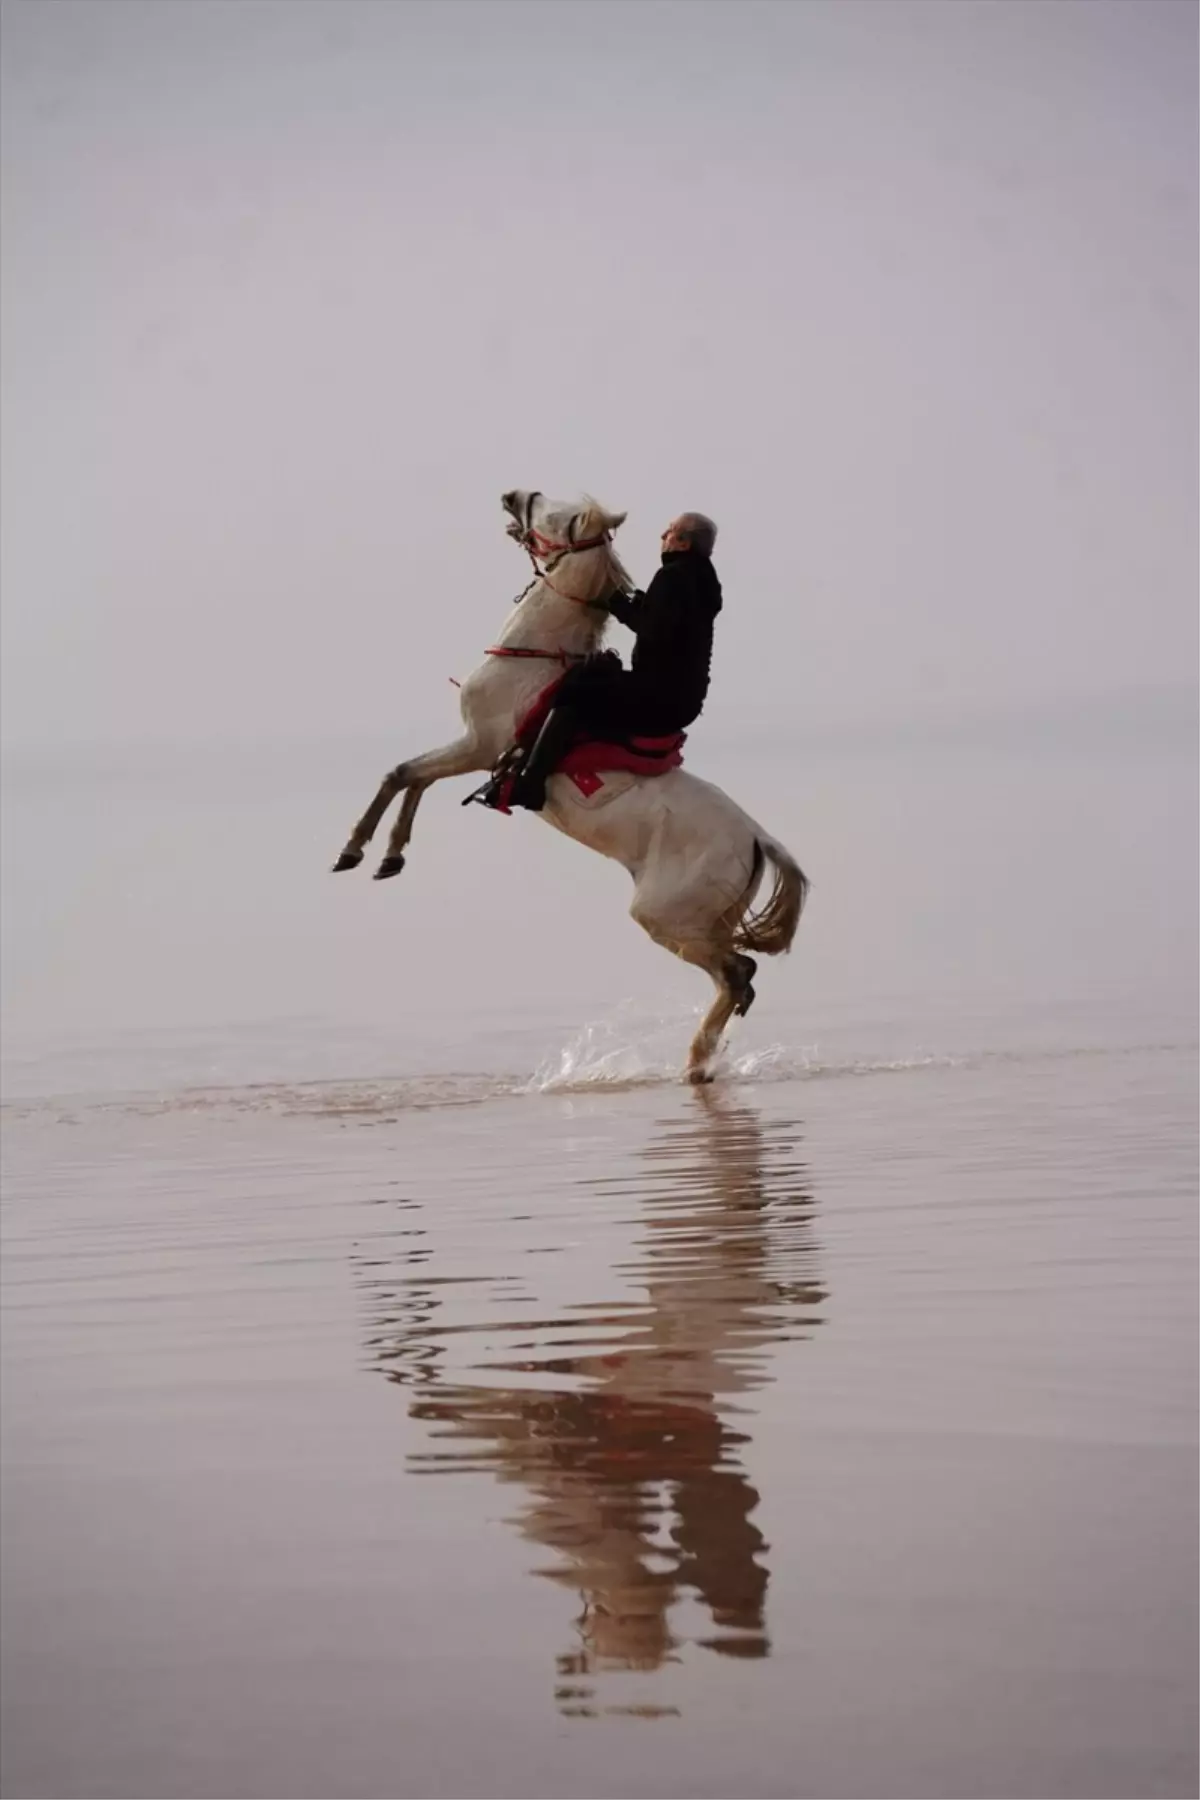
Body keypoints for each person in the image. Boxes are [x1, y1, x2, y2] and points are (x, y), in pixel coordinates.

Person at [506, 511, 723, 811]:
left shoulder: (673, 577)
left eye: (671, 531)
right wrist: (632, 601)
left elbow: (652, 628)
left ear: (684, 544)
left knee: (576, 690)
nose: (663, 535)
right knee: (594, 678)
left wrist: (615, 601)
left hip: (658, 696)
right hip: (680, 700)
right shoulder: (701, 580)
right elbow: (665, 618)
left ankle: (530, 783)